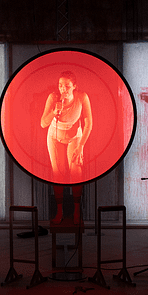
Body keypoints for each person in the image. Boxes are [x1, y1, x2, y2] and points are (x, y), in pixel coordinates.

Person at [40, 71, 92, 224]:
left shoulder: (82, 97)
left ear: (74, 86)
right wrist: (53, 112)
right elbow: (43, 123)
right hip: (54, 137)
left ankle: (76, 211)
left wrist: (81, 146)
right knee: (58, 174)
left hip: (74, 137)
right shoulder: (53, 97)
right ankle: (59, 212)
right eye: (60, 86)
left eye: (67, 86)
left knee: (76, 172)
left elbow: (89, 124)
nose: (63, 89)